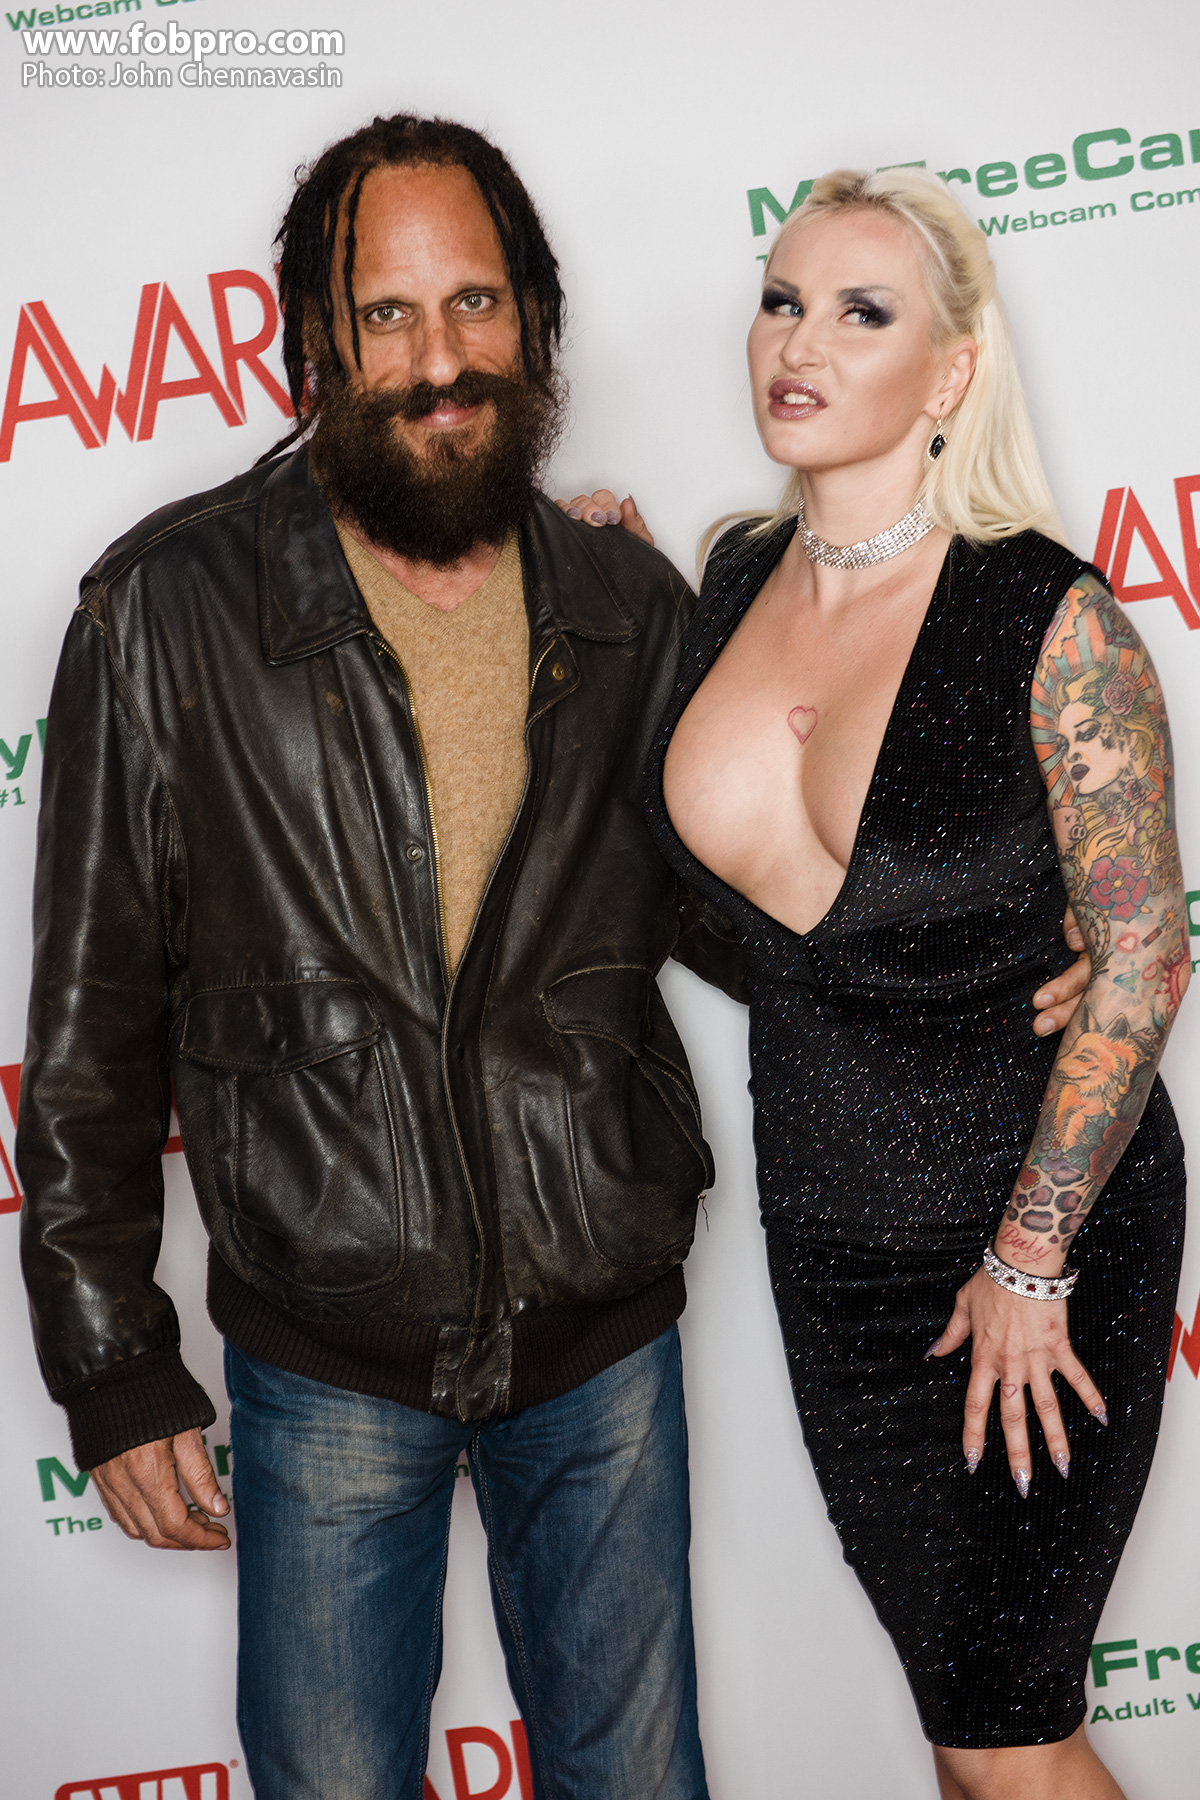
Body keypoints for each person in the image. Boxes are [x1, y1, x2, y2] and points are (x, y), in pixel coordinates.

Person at [17, 112, 744, 1800]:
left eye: (476, 304)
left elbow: (744, 924)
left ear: (534, 320)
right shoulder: (165, 614)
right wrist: (113, 1364)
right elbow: (90, 1027)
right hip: (324, 1348)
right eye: (389, 316)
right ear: (318, 341)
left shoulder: (628, 607)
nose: (439, 362)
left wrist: (976, 953)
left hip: (603, 1342)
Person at [637, 167, 1187, 1800]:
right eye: (781, 299)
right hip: (835, 1249)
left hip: (1033, 1244)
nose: (797, 343)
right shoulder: (728, 582)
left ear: (951, 369)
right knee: (968, 1728)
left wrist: (1032, 1258)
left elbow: (1144, 951)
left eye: (859, 312)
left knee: (1007, 1741)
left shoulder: (1049, 617)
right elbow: (749, 923)